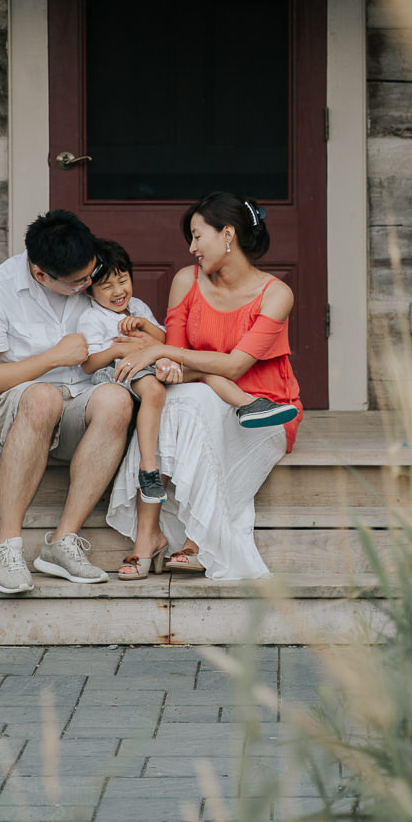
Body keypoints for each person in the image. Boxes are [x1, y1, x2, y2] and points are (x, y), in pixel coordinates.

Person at [105, 192, 303, 580]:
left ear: (227, 234)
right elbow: (173, 355)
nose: (191, 248)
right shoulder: (186, 281)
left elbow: (235, 364)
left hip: (264, 409)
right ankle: (150, 536)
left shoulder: (276, 294)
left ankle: (197, 537)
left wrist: (166, 353)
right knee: (179, 399)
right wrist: (164, 356)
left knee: (188, 400)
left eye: (198, 237)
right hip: (197, 394)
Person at [0, 210, 141, 594]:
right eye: (78, 283)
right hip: (17, 406)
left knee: (115, 399)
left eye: (92, 274)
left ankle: (63, 543)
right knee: (43, 396)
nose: (89, 284)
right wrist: (51, 359)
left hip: (82, 403)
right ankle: (6, 546)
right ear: (41, 274)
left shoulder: (97, 274)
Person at [78, 239, 176, 510]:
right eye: (107, 286)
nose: (118, 291)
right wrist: (116, 349)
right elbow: (88, 364)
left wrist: (143, 326)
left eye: (122, 280)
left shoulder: (139, 307)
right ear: (90, 292)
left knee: (189, 374)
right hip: (114, 371)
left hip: (144, 365)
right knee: (155, 391)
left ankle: (241, 402)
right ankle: (148, 469)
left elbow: (164, 338)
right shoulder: (92, 318)